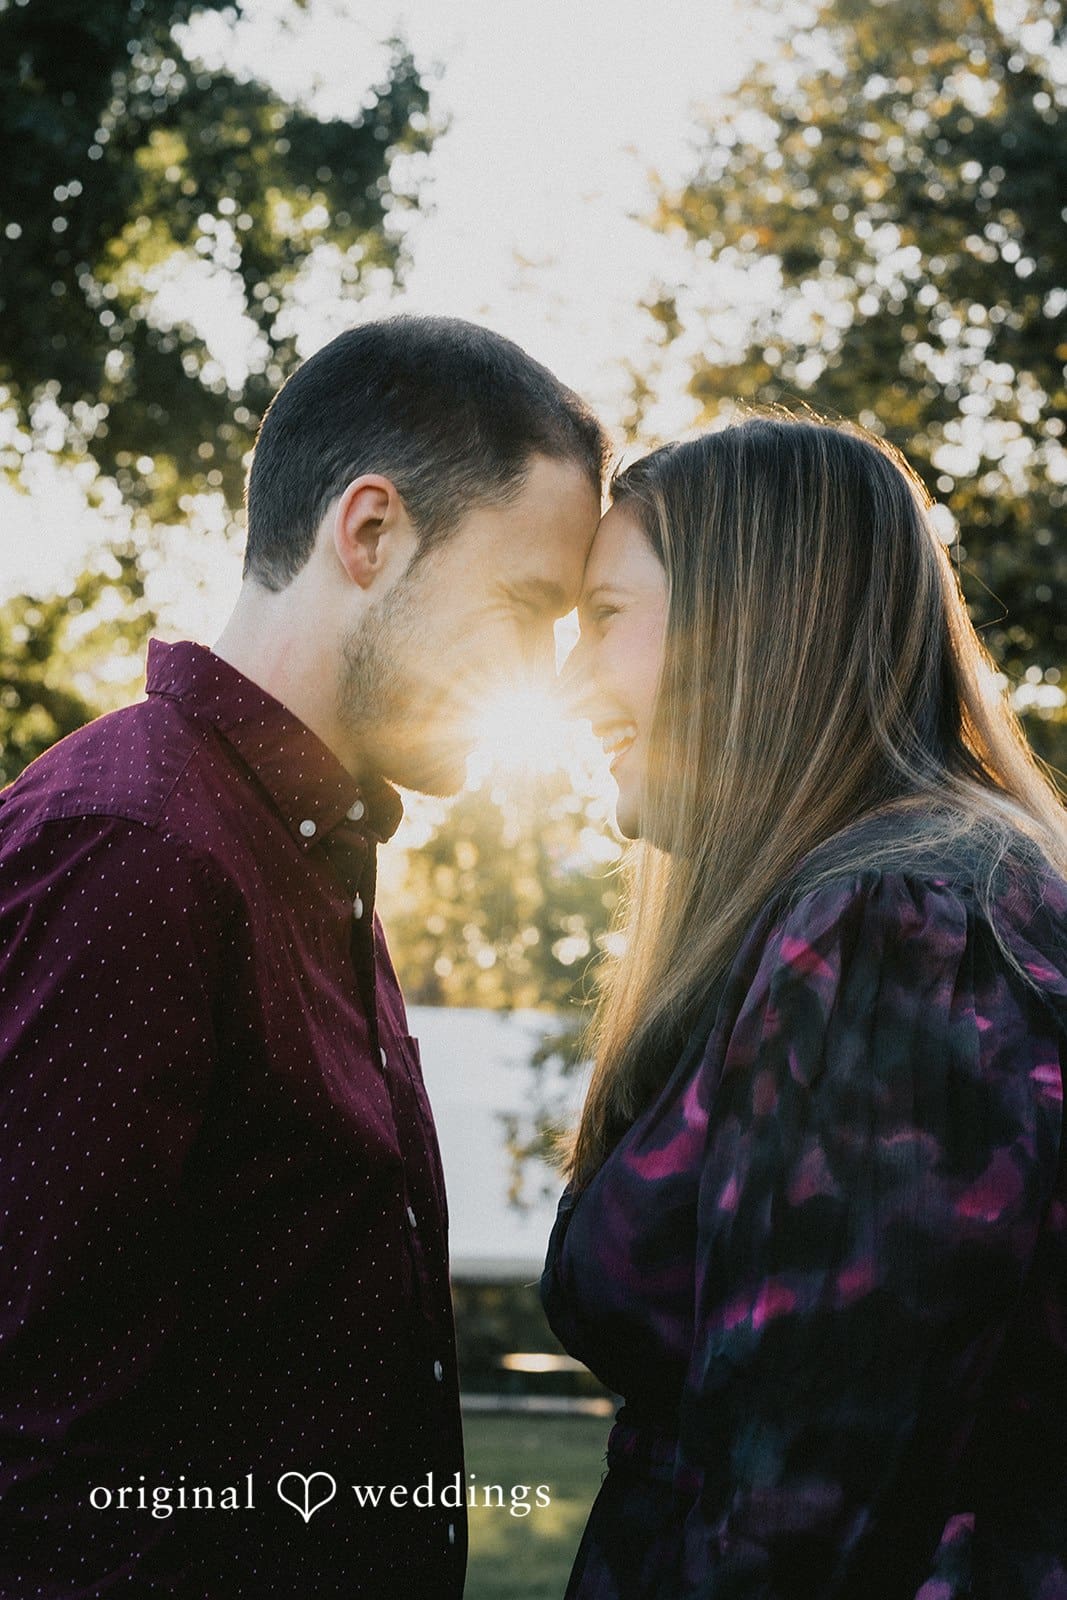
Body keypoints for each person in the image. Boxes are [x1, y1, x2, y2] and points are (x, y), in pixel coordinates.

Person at [0, 315, 606, 1599]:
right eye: (524, 608)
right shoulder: (136, 844)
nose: (546, 675)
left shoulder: (310, 853)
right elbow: (43, 1447)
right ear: (370, 532)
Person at [542, 414, 1067, 1599]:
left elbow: (800, 1521)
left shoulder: (896, 926)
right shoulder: (915, 891)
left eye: (606, 618)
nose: (568, 683)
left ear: (758, 621)